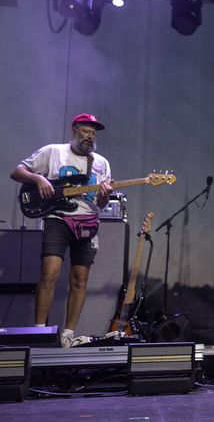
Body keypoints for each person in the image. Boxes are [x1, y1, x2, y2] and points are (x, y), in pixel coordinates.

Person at [10, 113, 112, 347]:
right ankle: (38, 332)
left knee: (80, 280)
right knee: (49, 274)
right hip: (58, 219)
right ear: (74, 130)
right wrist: (38, 179)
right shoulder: (53, 151)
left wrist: (104, 196)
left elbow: (101, 203)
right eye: (86, 131)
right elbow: (17, 171)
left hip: (88, 222)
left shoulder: (101, 162)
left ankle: (68, 334)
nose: (90, 136)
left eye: (94, 133)